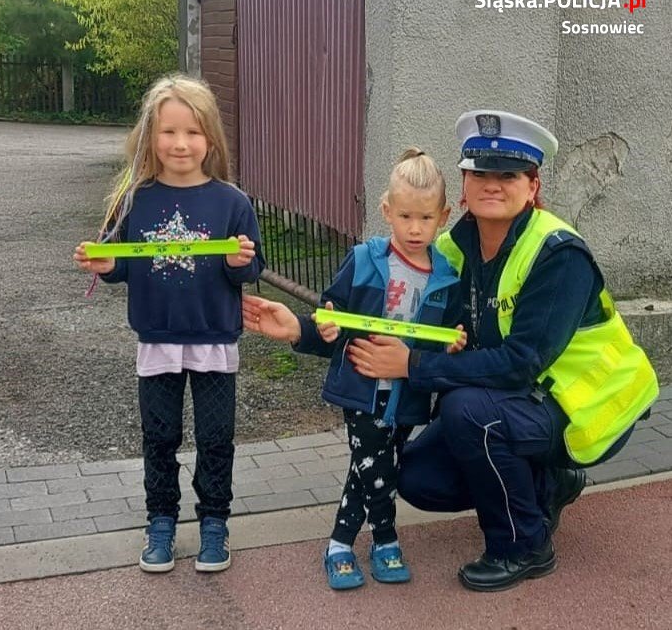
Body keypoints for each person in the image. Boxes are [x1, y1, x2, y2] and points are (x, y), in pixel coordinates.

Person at [344, 110, 658, 592]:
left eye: (508, 174)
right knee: (419, 478)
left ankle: (523, 546)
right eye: (480, 174)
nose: (493, 185)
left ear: (532, 185)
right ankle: (547, 486)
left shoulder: (559, 253)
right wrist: (308, 328)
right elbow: (387, 295)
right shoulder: (451, 248)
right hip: (518, 400)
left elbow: (521, 364)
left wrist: (412, 365)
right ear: (463, 186)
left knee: (468, 410)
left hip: (588, 406)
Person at [243, 148, 465, 590]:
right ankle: (384, 539)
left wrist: (454, 345)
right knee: (375, 464)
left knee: (372, 466)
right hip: (361, 386)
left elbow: (448, 344)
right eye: (405, 216)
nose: (415, 228)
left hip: (410, 394)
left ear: (443, 216)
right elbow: (334, 312)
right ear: (386, 211)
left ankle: (340, 543)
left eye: (425, 218)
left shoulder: (448, 277)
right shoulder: (364, 259)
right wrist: (323, 327)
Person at [73, 74, 264, 574]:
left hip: (214, 340)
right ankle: (160, 521)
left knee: (216, 437)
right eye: (168, 132)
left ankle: (214, 523)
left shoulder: (232, 202)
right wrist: (105, 264)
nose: (180, 143)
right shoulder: (134, 199)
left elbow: (249, 270)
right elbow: (124, 267)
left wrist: (240, 260)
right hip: (156, 340)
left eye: (193, 132)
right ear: (149, 138)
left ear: (210, 140)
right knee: (159, 437)